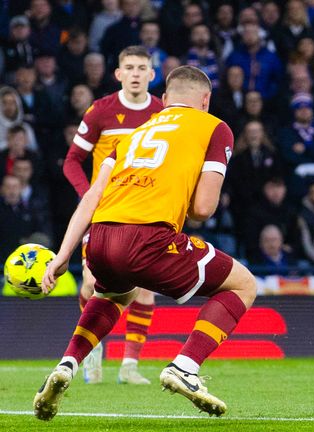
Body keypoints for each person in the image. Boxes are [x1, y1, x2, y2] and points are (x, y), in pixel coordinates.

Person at [35, 65, 253, 421]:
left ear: (164, 100)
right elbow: (202, 209)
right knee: (243, 284)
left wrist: (63, 255)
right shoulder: (215, 127)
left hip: (101, 237)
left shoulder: (132, 135)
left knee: (115, 294)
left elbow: (91, 197)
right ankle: (185, 366)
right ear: (206, 100)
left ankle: (67, 365)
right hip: (149, 237)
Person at [62, 46, 164, 386]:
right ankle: (92, 354)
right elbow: (72, 160)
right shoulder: (100, 111)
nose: (136, 73)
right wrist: (88, 195)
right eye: (129, 67)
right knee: (92, 282)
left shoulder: (164, 114)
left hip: (146, 210)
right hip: (104, 210)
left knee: (146, 289)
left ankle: (130, 367)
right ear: (118, 74)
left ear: (152, 74)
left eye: (142, 68)